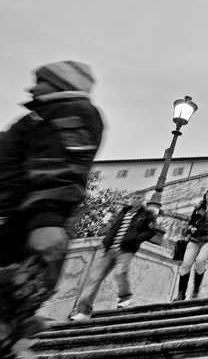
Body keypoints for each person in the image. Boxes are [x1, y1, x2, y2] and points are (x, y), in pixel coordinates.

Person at [0, 61, 103, 358]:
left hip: (21, 229)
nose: (32, 87)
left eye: (41, 81)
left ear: (61, 84)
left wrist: (47, 217)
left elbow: (61, 166)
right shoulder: (42, 115)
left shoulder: (73, 111)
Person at [70, 193, 156, 320]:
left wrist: (136, 239)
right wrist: (106, 241)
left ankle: (125, 297)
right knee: (94, 278)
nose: (135, 200)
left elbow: (152, 231)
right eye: (134, 197)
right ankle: (84, 311)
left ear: (143, 200)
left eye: (138, 198)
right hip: (110, 249)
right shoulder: (123, 212)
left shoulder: (146, 215)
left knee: (120, 273)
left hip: (126, 249)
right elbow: (114, 228)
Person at [173, 189, 208, 301]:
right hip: (195, 239)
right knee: (186, 263)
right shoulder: (198, 208)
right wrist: (191, 228)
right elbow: (191, 222)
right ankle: (181, 293)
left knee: (200, 260)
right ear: (205, 196)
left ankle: (196, 290)